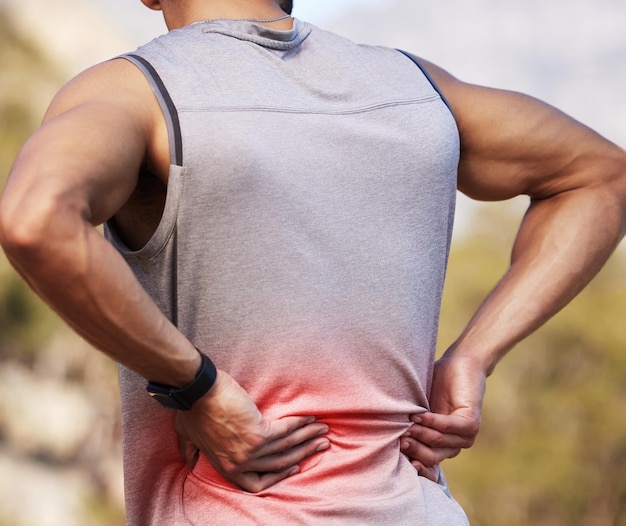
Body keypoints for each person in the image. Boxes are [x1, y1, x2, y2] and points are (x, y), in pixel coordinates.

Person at [0, 0, 624, 524]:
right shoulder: (417, 91)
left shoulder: (139, 91)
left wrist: (197, 388)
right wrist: (472, 357)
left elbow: (34, 219)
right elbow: (601, 177)